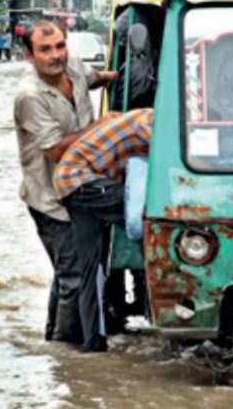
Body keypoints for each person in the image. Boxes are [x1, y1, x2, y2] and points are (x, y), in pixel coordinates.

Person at [13, 19, 117, 347]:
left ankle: (54, 340)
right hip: (51, 199)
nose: (55, 55)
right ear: (29, 55)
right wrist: (104, 127)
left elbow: (92, 78)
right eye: (45, 50)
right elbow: (57, 148)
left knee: (69, 272)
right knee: (73, 275)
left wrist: (113, 77)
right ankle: (66, 355)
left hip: (82, 188)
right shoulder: (30, 96)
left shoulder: (72, 66)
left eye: (60, 46)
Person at [53, 108, 153, 352]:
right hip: (82, 181)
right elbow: (177, 157)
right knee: (152, 220)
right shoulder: (150, 123)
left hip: (69, 184)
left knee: (91, 267)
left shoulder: (143, 117)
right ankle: (159, 294)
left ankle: (94, 344)